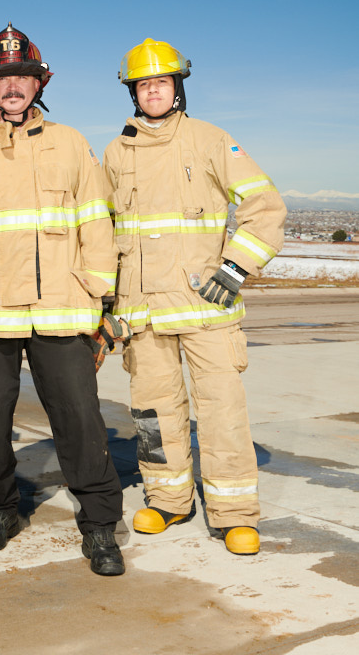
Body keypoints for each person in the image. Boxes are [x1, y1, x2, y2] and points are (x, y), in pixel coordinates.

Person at [0, 23, 125, 576]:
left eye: (22, 77)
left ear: (39, 83)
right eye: (1, 77)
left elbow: (96, 226)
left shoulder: (72, 144)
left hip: (63, 307)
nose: (12, 86)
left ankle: (100, 526)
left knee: (81, 422)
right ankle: (0, 512)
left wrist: (102, 297)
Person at [103, 38, 286, 555]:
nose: (153, 91)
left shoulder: (210, 140)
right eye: (144, 84)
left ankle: (234, 515)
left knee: (223, 412)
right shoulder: (117, 152)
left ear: (178, 87)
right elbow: (104, 230)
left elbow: (265, 206)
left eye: (161, 82)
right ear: (133, 93)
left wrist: (234, 268)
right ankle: (168, 501)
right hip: (142, 315)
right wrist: (108, 304)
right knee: (153, 417)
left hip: (208, 311)